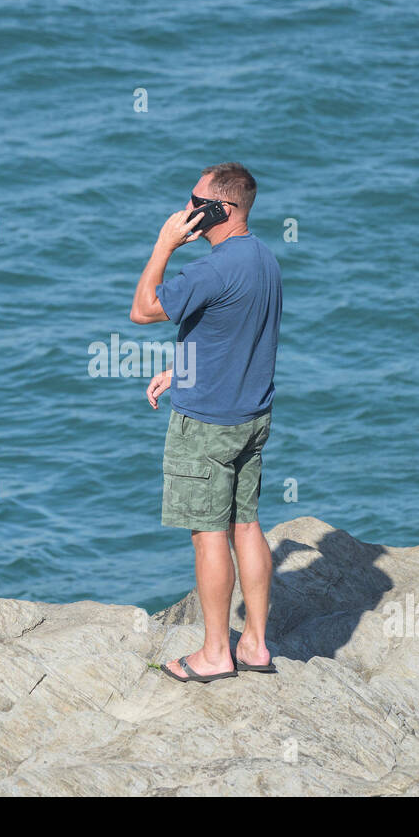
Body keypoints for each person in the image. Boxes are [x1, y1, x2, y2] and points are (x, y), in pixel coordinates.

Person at [129, 162, 283, 683]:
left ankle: (216, 653)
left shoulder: (212, 268)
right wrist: (183, 370)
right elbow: (236, 331)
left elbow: (144, 309)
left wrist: (164, 244)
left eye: (194, 202)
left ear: (220, 210)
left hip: (208, 426)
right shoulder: (264, 258)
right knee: (247, 525)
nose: (185, 209)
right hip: (253, 417)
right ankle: (256, 645)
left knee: (208, 534)